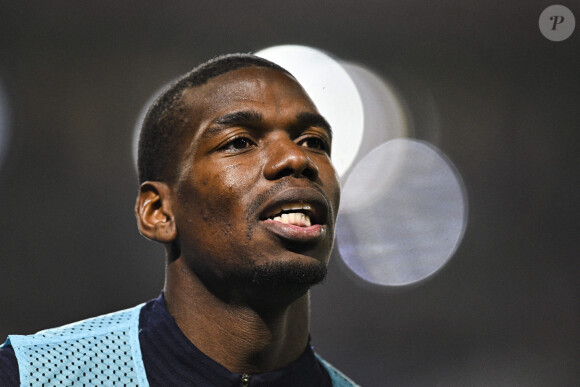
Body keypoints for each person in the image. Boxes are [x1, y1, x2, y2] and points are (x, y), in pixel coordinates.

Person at [0, 54, 357, 386]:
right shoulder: (36, 375)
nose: (296, 158)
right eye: (239, 142)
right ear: (159, 212)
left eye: (314, 142)